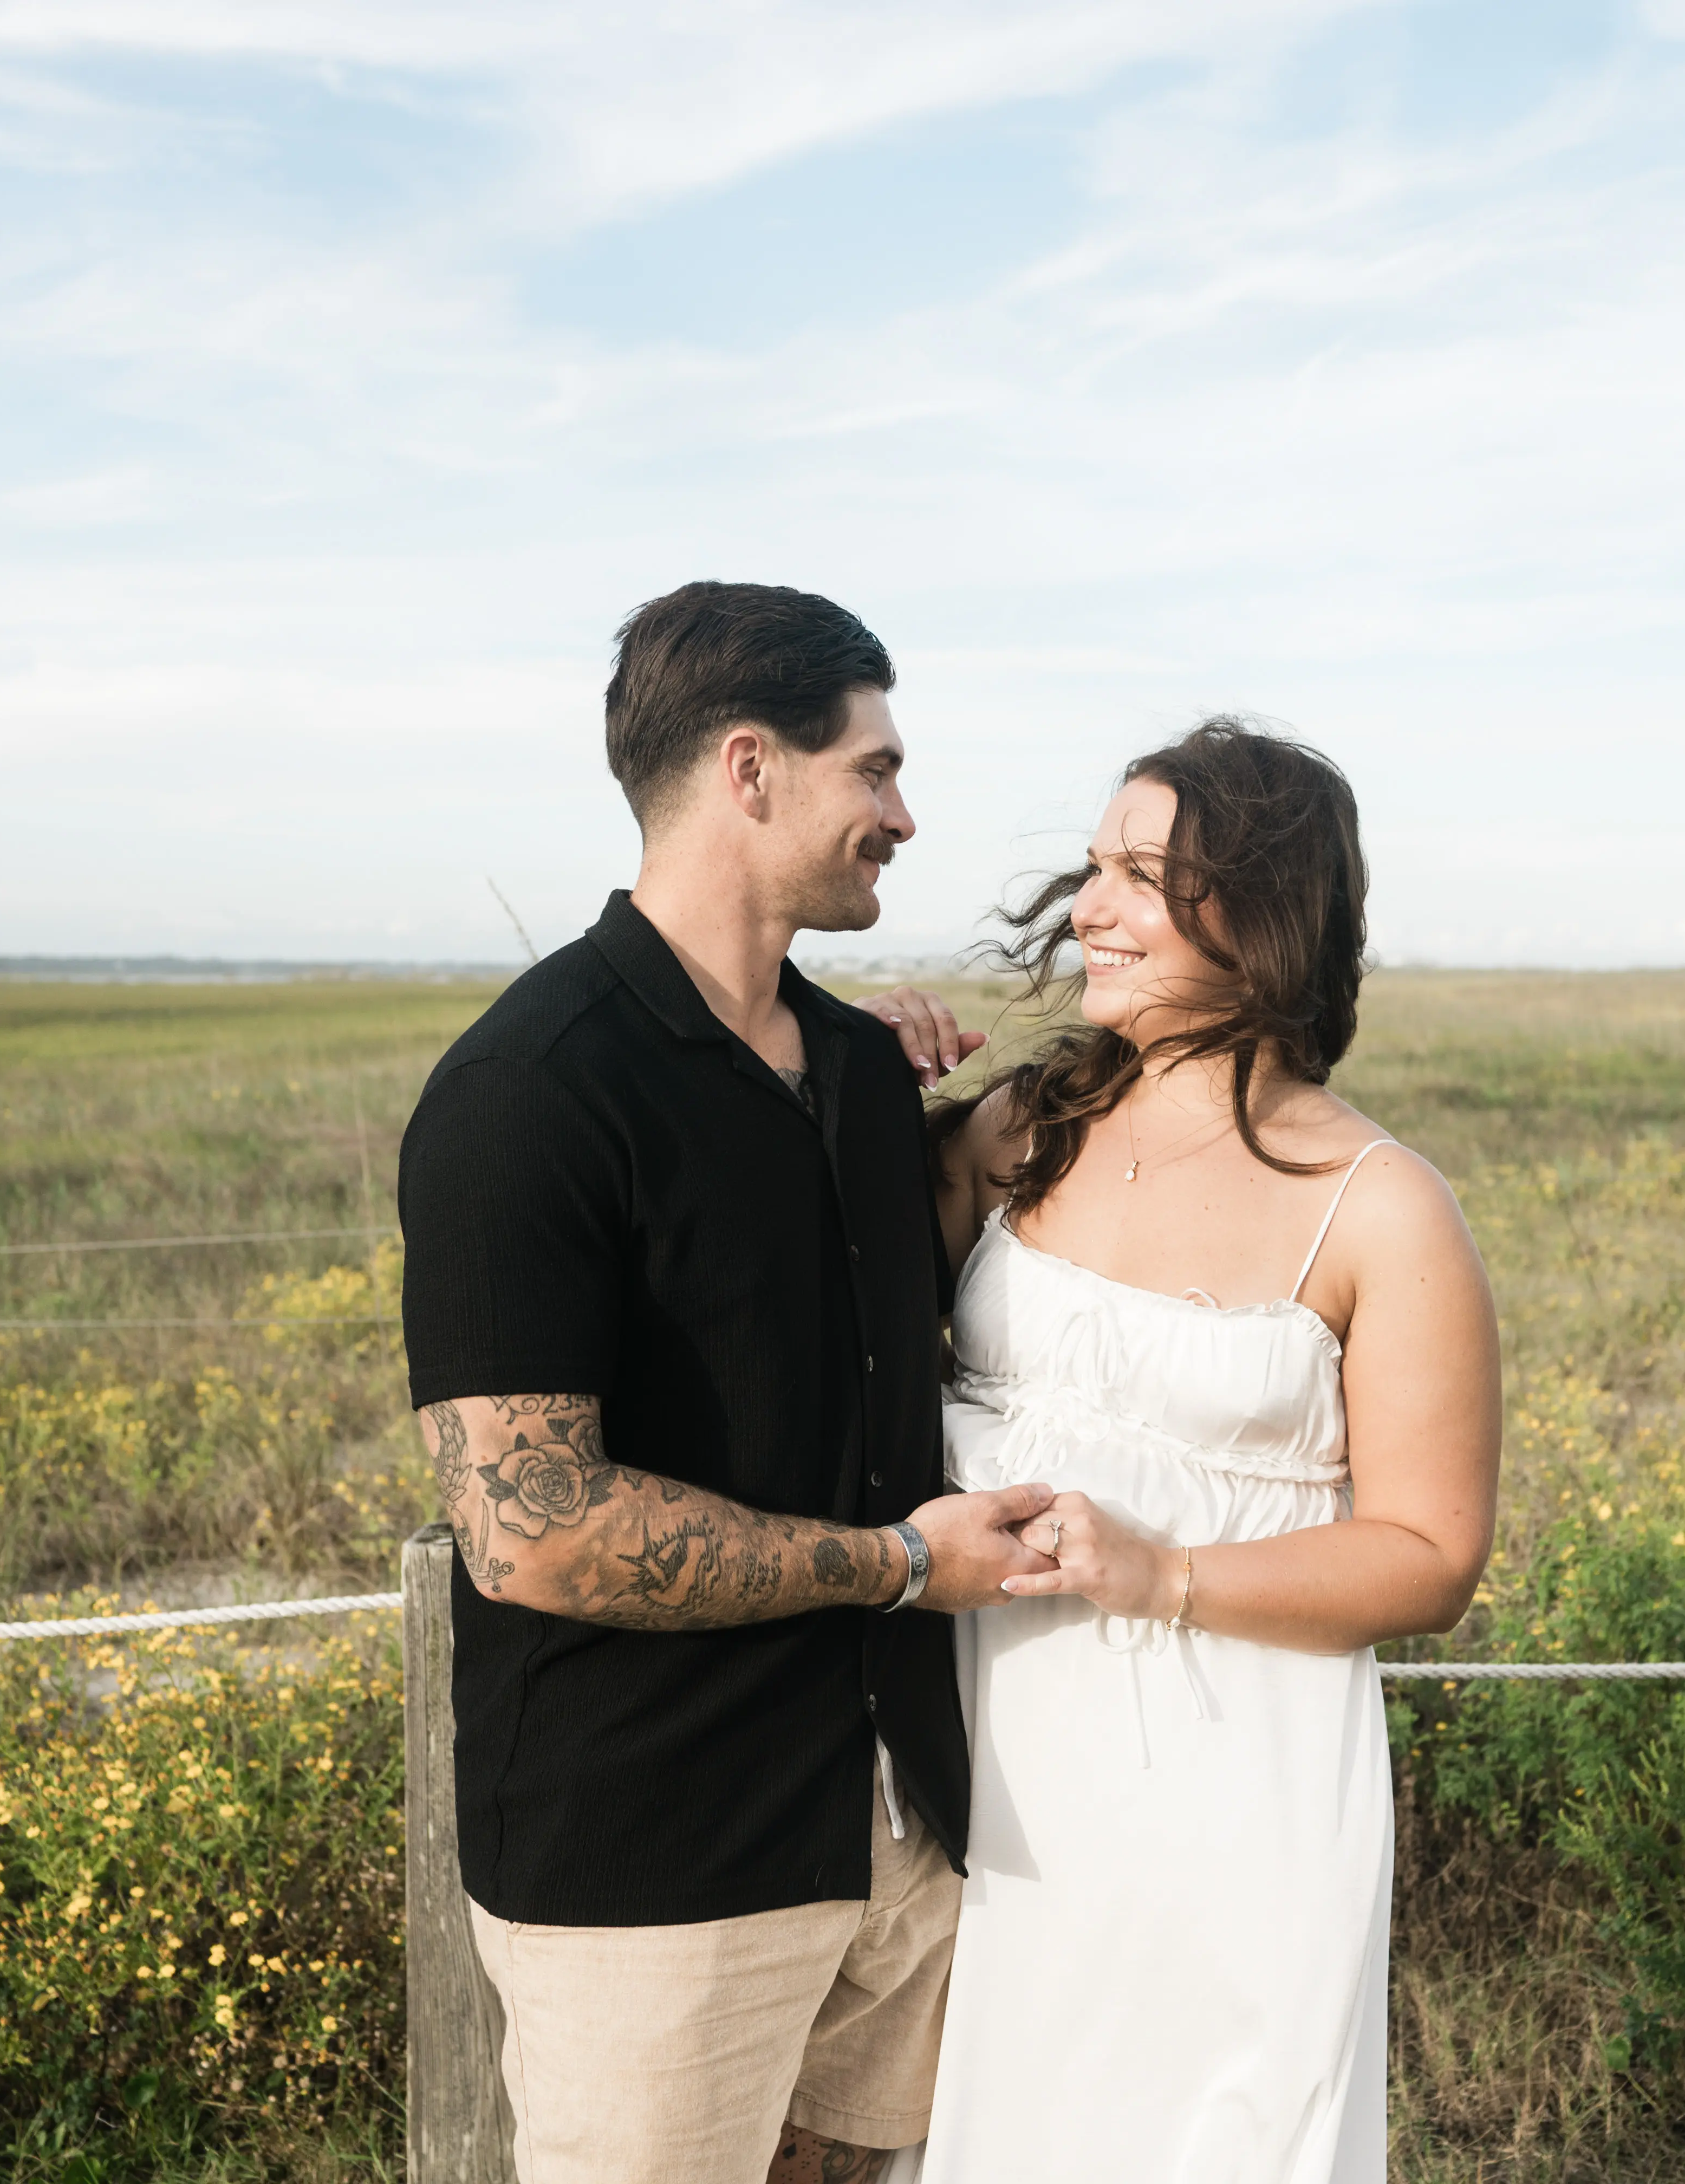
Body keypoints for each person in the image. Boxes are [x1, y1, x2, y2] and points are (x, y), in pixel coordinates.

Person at [398, 581, 1039, 2184]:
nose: (905, 815)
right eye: (875, 770)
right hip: (660, 1872)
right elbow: (533, 1531)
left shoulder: (862, 1076)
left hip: (902, 1833)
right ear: (750, 769)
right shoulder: (526, 1094)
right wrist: (902, 1568)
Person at [919, 719, 1505, 2183]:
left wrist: (1163, 1570)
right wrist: (849, 1063)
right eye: (1093, 869)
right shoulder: (1022, 1132)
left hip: (1232, 1796)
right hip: (986, 1772)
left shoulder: (1380, 1205)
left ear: (1265, 913)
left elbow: (1432, 1557)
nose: (1088, 909)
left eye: (1141, 876)